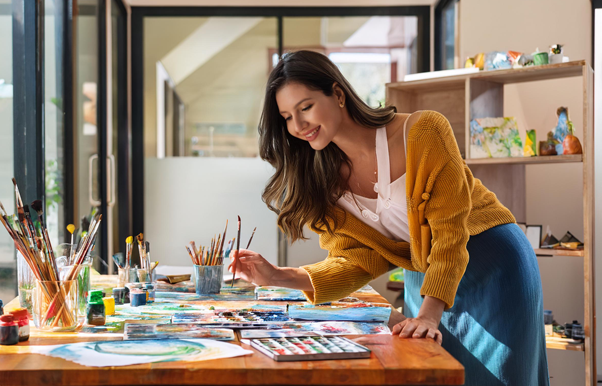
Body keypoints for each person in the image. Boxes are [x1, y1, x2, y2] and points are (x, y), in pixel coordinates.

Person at [229, 50, 548, 386]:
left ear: (337, 94)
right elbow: (357, 261)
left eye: (305, 107)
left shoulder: (424, 131)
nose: (298, 125)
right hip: (425, 276)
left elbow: (450, 234)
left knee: (500, 378)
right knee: (433, 374)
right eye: (287, 117)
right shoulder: (322, 179)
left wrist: (428, 314)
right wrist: (283, 276)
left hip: (492, 263)